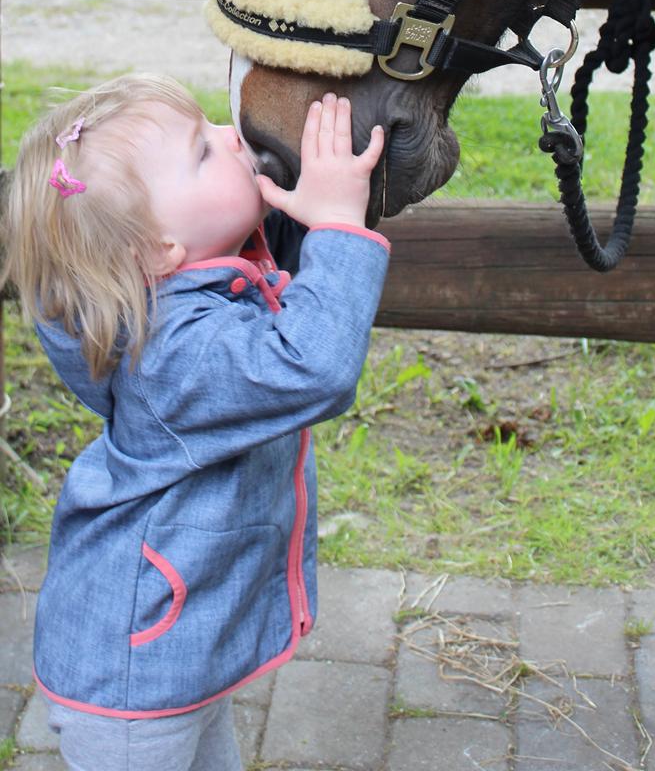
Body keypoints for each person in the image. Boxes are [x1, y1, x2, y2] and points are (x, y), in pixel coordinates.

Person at [0, 73, 387, 771]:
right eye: (203, 152)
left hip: (175, 649)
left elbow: (251, 281)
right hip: (133, 684)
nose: (232, 135)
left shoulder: (162, 297)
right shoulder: (171, 357)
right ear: (156, 252)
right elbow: (314, 365)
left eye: (211, 127)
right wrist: (339, 226)